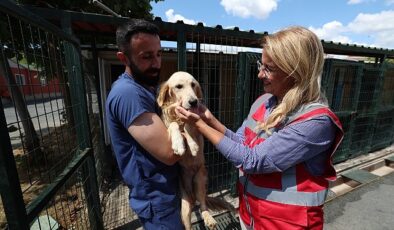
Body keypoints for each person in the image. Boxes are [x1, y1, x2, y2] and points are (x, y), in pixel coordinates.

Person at [176, 26, 344, 230]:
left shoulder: (315, 122)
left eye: (269, 69)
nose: (259, 74)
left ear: (295, 71)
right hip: (251, 217)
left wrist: (199, 125)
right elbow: (242, 143)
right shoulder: (264, 102)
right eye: (260, 65)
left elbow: (251, 160)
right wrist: (210, 119)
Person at [105, 19, 183, 229]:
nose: (157, 63)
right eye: (147, 57)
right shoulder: (128, 93)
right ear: (123, 57)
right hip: (157, 200)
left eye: (158, 54)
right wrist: (194, 123)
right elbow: (171, 152)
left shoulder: (144, 86)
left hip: (165, 192)